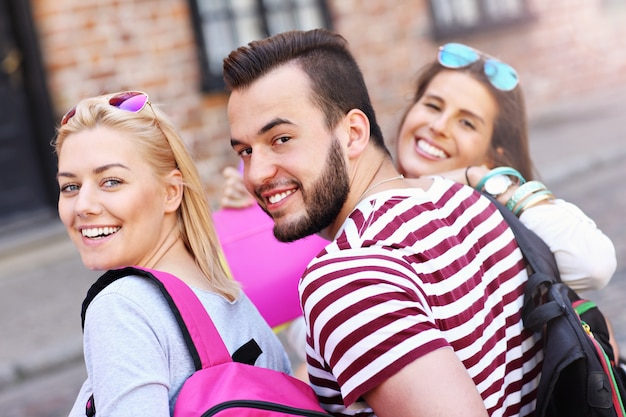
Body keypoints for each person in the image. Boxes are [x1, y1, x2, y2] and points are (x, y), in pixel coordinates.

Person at [219, 41, 618, 359]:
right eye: (432, 105)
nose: (438, 126)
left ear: (494, 153)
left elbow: (593, 264)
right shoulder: (353, 208)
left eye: (466, 122)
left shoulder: (492, 214)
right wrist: (254, 214)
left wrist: (482, 181)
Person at [223, 28, 542, 417]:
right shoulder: (462, 198)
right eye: (246, 151)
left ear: (354, 133)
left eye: (281, 139)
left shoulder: (344, 278)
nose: (255, 173)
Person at [54, 91, 292, 417]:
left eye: (110, 181)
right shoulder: (231, 298)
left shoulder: (123, 306)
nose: (82, 206)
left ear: (171, 192)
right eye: (70, 187)